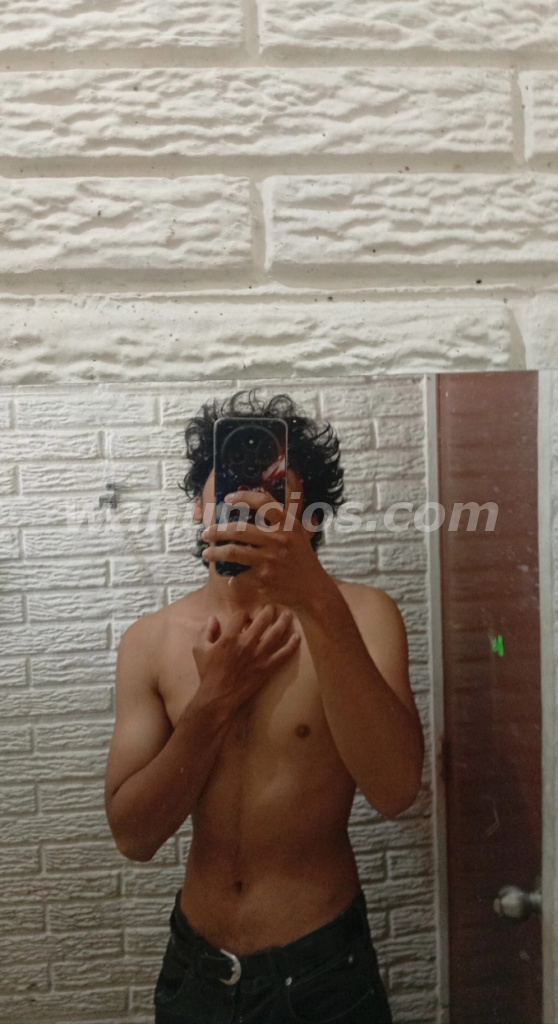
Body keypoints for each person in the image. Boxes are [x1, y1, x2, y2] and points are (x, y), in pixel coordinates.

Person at [104, 390, 424, 1024]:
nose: (250, 500)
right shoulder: (151, 642)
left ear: (311, 516)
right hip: (196, 969)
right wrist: (214, 700)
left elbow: (395, 791)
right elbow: (134, 836)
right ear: (200, 505)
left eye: (275, 489)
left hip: (323, 967)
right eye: (232, 484)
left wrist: (318, 603)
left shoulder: (364, 617)